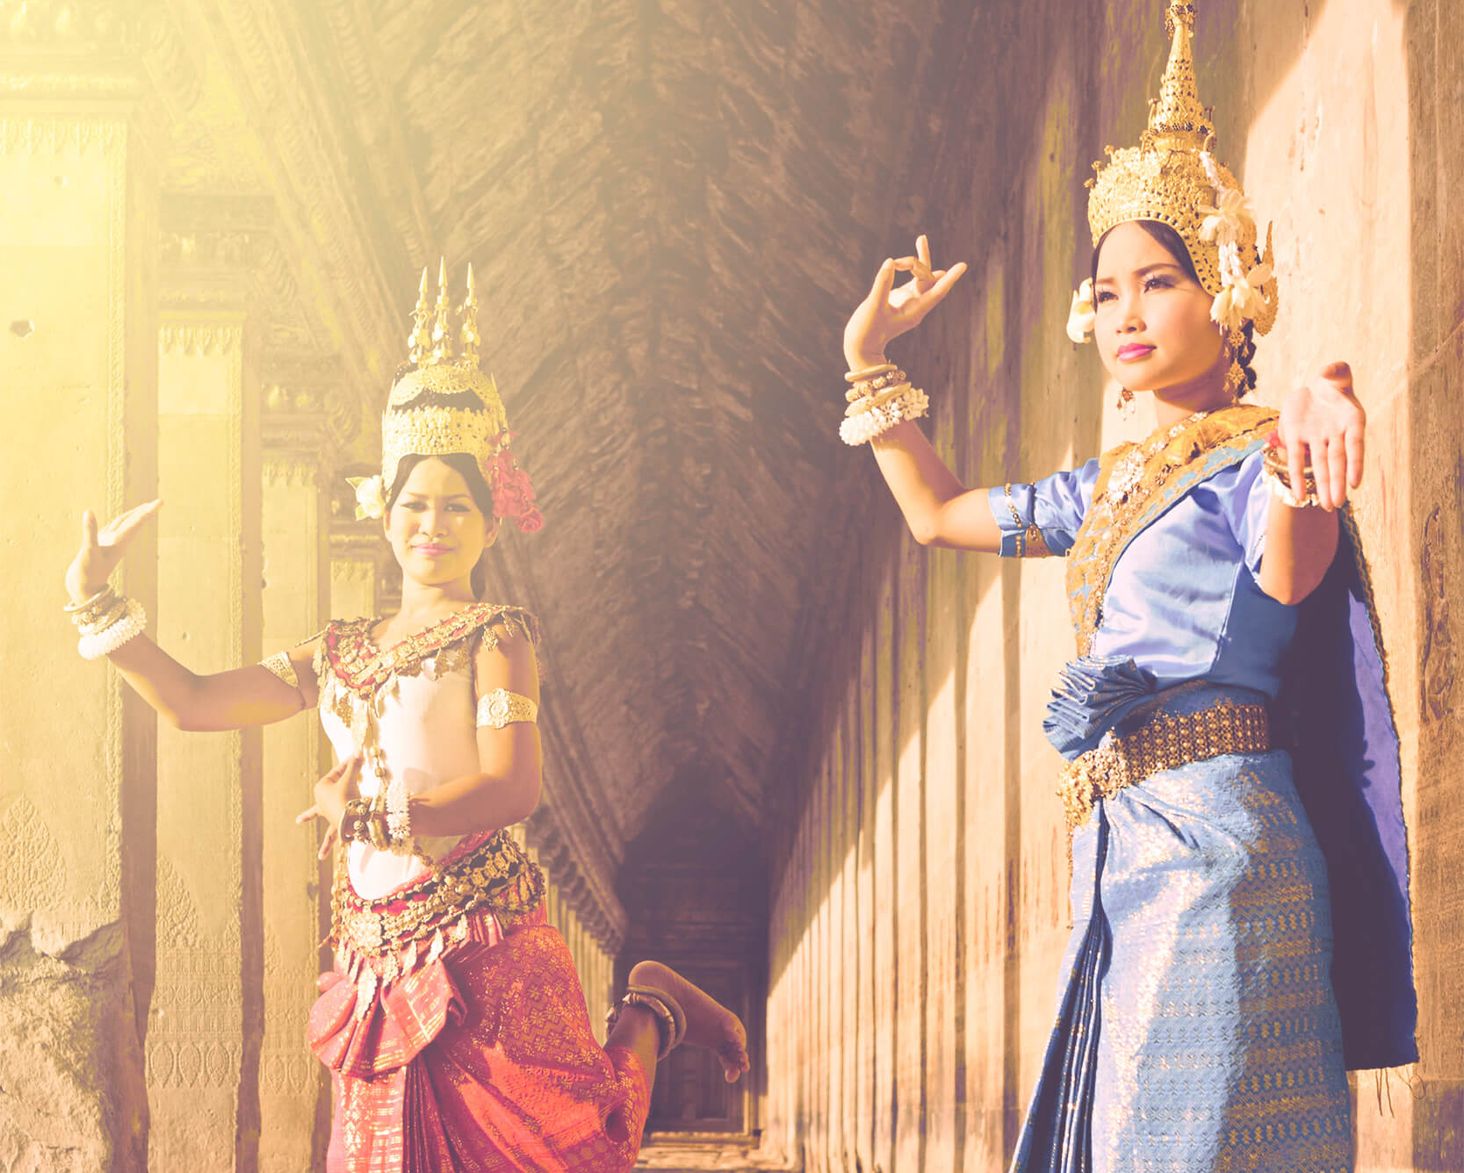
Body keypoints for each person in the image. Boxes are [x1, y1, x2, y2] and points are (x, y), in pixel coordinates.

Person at [838, 5, 1416, 1169]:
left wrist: (1305, 429)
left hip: (1226, 847)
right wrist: (869, 363)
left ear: (1227, 288)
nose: (1128, 315)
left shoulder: (1252, 459)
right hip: (1119, 846)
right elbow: (938, 516)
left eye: (1159, 282)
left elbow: (1289, 574)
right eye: (1106, 294)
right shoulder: (1099, 490)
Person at [64, 261, 748, 1171]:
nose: (434, 524)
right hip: (376, 958)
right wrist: (99, 606)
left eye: (457, 507)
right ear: (382, 514)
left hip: (482, 944)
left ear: (491, 525)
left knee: (583, 1146)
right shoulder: (335, 650)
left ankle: (650, 1007)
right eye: (415, 505)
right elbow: (193, 703)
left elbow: (513, 786)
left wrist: (375, 816)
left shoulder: (497, 635)